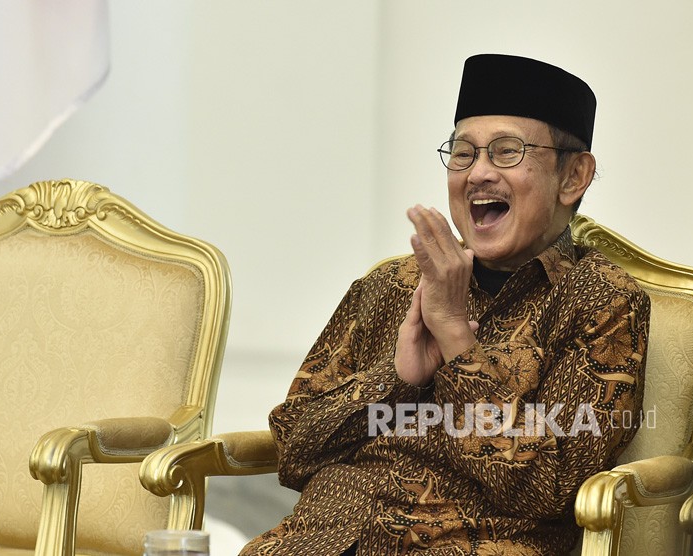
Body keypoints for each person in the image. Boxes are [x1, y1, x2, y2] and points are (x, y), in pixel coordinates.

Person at [241, 54, 649, 556]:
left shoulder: (601, 302)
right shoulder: (393, 284)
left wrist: (457, 341)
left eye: (506, 152)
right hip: (317, 541)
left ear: (573, 177)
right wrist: (397, 377)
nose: (477, 174)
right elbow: (292, 449)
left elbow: (551, 488)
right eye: (462, 154)